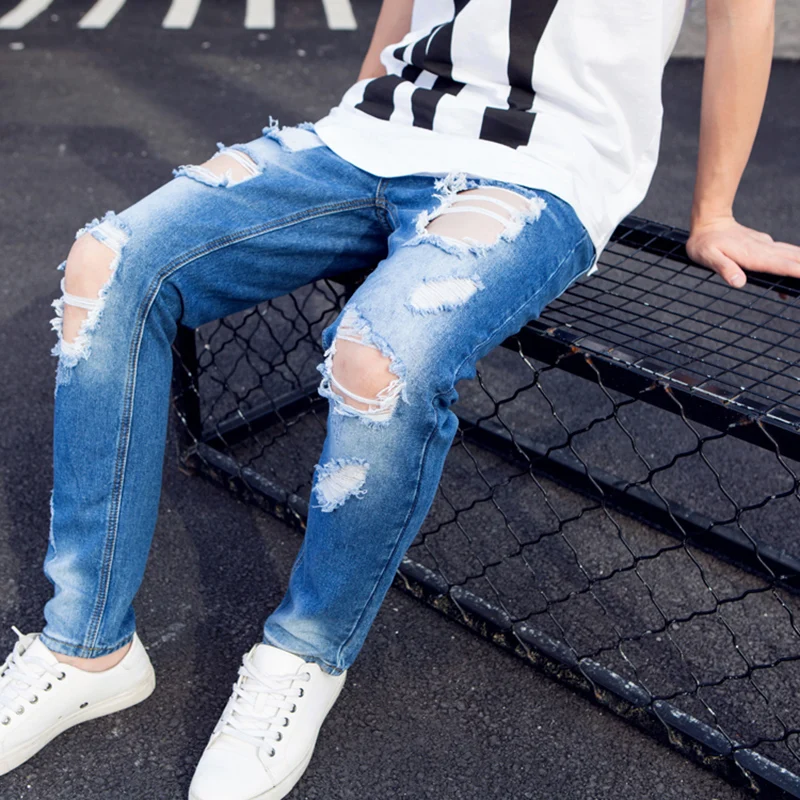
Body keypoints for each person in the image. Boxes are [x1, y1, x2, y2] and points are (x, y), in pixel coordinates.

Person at [2, 0, 797, 798]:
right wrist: (358, 101)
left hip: (543, 166)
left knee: (379, 357)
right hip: (372, 132)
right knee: (107, 267)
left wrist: (713, 213)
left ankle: (304, 653)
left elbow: (741, 14)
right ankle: (85, 645)